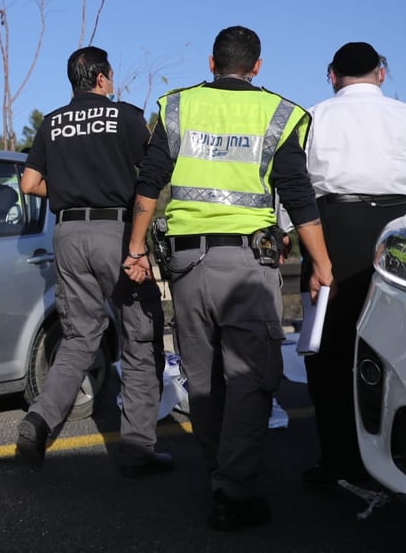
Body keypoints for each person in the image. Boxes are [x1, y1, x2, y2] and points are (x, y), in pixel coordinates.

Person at [121, 26, 333, 532]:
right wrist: (320, 262)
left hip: (187, 267)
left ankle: (222, 476)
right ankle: (232, 493)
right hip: (247, 268)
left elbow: (149, 184)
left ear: (212, 62)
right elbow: (298, 197)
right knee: (252, 380)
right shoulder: (280, 114)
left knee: (204, 380)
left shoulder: (177, 107)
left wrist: (134, 250)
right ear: (257, 67)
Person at [14, 46, 170, 478]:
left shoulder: (52, 122)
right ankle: (138, 450)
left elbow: (29, 183)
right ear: (102, 78)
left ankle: (40, 419)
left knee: (79, 336)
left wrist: (65, 190)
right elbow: (155, 171)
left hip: (67, 234)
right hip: (116, 233)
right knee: (139, 339)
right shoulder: (126, 116)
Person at [300, 43, 406, 487]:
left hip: (331, 229)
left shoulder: (311, 117)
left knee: (330, 351)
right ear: (383, 73)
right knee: (403, 346)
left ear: (332, 75)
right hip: (403, 231)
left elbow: (293, 186)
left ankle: (337, 459)